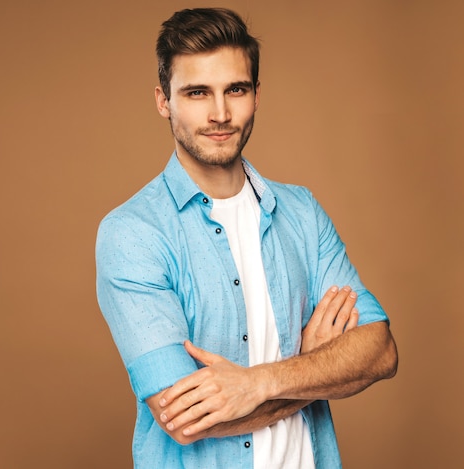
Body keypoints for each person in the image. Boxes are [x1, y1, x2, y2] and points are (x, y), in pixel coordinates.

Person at [95, 7, 397, 469]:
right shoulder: (132, 234)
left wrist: (259, 383)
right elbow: (184, 417)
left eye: (235, 89)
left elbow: (379, 350)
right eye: (197, 93)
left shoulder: (303, 213)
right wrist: (314, 369)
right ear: (163, 100)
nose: (220, 114)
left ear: (256, 94)